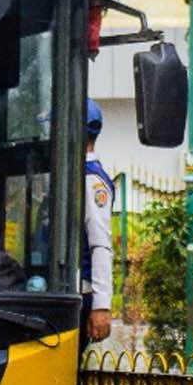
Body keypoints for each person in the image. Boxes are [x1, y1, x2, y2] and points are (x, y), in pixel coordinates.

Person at [83, 100, 114, 344]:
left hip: (81, 291)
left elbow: (100, 244)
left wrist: (101, 305)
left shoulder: (91, 179)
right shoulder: (72, 172)